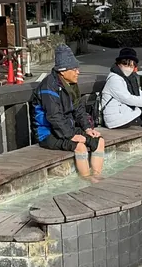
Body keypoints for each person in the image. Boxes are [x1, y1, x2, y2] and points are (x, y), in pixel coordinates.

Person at [32, 44, 105, 179]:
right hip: (47, 134)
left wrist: (88, 128)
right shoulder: (49, 86)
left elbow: (79, 109)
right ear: (62, 71)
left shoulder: (71, 84)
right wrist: (71, 136)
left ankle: (97, 176)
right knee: (80, 146)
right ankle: (87, 179)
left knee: (99, 141)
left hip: (67, 128)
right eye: (74, 69)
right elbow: (54, 116)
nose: (78, 72)